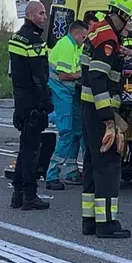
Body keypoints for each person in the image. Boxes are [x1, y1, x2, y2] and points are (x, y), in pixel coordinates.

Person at [80, 0, 132, 239]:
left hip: (87, 107)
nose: (131, 24)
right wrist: (109, 119)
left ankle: (90, 220)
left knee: (93, 163)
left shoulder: (99, 31)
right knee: (109, 164)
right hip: (100, 110)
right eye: (130, 18)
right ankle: (107, 223)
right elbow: (98, 77)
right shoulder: (108, 40)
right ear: (121, 15)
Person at [8, 1, 53, 211]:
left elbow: (17, 75)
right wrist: (46, 102)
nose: (45, 17)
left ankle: (17, 194)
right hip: (34, 101)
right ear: (31, 15)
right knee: (32, 151)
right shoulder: (33, 41)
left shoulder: (16, 37)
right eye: (41, 13)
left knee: (24, 148)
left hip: (21, 100)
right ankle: (29, 195)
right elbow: (39, 76)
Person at [45, 20, 88, 190]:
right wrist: (81, 74)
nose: (85, 40)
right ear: (76, 34)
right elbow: (63, 75)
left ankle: (71, 172)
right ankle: (52, 174)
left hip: (71, 93)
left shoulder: (75, 47)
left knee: (77, 131)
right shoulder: (66, 46)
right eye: (83, 36)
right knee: (67, 132)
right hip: (62, 92)